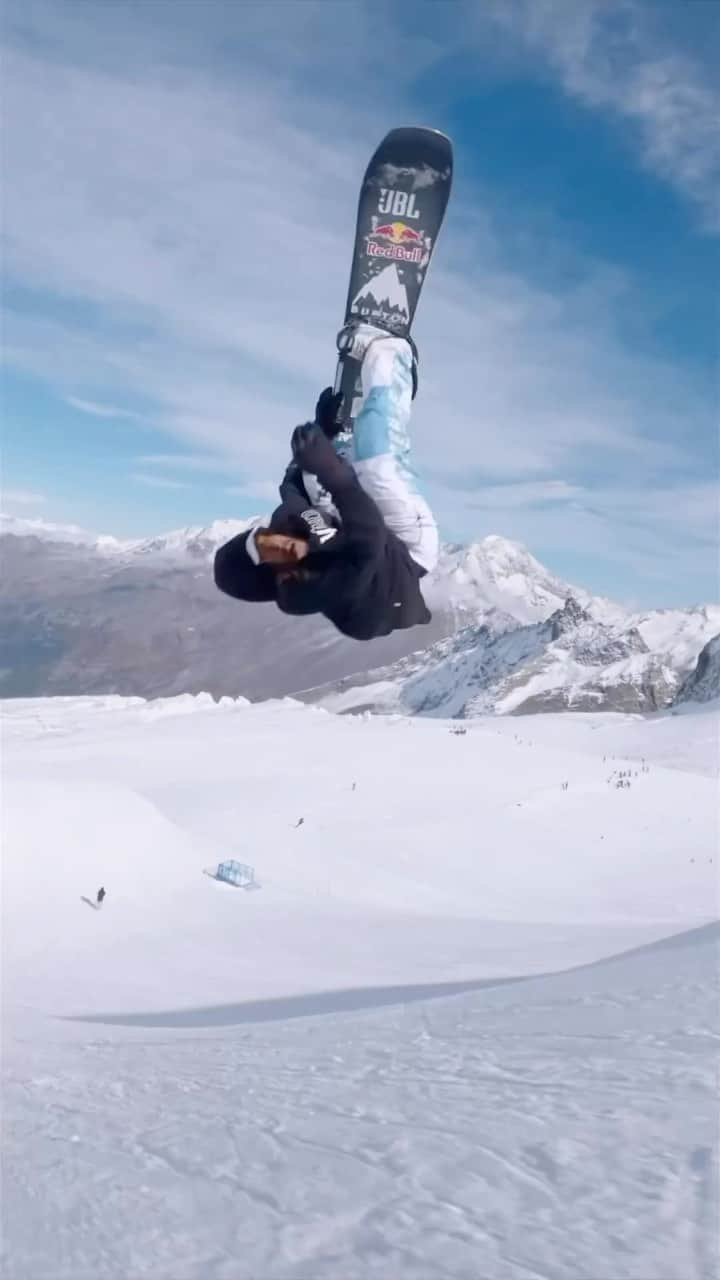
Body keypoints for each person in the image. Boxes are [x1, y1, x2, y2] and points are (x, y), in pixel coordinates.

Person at [214, 324, 439, 641]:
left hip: (356, 529)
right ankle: (395, 355)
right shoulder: (315, 585)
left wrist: (322, 432)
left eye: (263, 539)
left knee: (312, 475)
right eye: (270, 552)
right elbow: (368, 540)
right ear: (276, 576)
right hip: (405, 551)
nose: (277, 542)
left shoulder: (285, 530)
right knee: (378, 466)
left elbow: (291, 488)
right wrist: (333, 471)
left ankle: (346, 439)